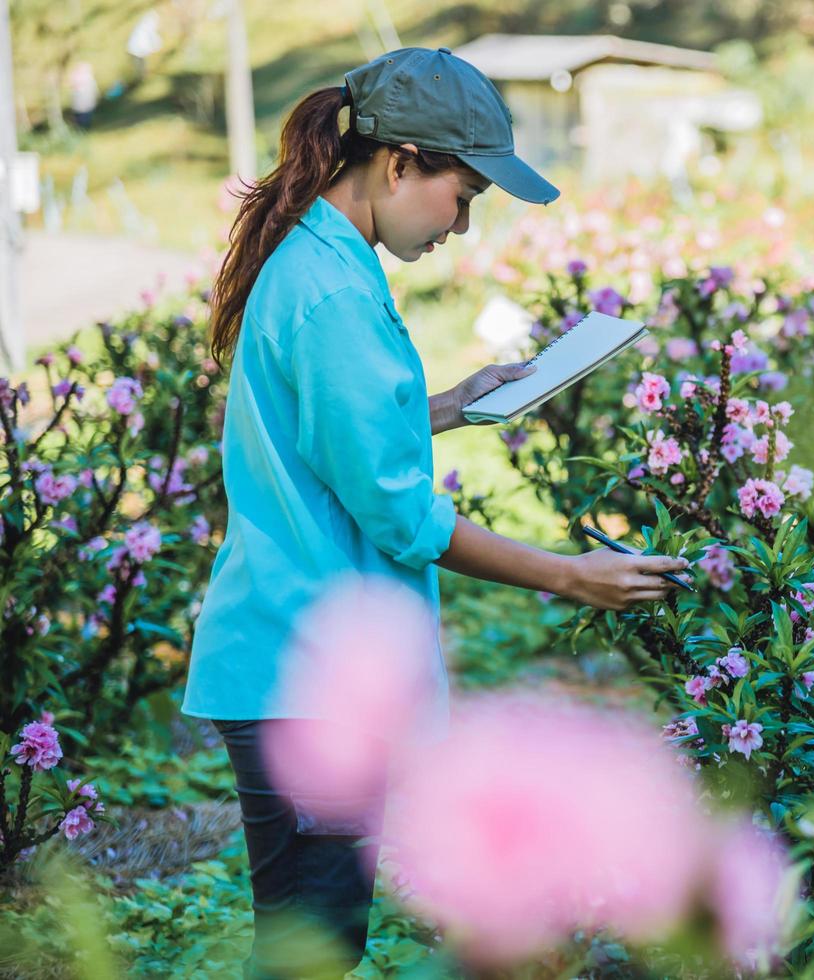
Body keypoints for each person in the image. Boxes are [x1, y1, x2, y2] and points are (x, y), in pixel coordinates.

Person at [182, 47, 687, 978]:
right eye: (462, 197)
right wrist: (573, 575)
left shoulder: (320, 260)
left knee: (311, 944)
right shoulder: (334, 290)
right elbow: (402, 520)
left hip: (300, 659)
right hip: (306, 677)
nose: (460, 227)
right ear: (402, 160)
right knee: (311, 953)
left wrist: (452, 403)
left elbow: (326, 435)